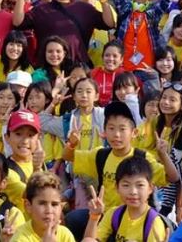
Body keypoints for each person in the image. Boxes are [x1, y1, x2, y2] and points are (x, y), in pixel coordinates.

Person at [62, 102, 175, 239]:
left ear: (134, 133)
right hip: (106, 215)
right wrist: (72, 143)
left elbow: (172, 177)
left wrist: (163, 155)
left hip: (136, 217)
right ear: (104, 132)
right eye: (111, 128)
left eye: (122, 129)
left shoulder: (143, 158)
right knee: (72, 219)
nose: (116, 134)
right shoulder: (100, 155)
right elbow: (68, 156)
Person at [12, 0, 116, 65]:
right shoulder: (41, 9)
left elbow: (109, 24)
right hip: (48, 66)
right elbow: (18, 22)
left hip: (77, 65)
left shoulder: (85, 8)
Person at [83, 155, 170, 242]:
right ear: (117, 188)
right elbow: (90, 240)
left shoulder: (154, 223)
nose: (133, 192)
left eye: (140, 185)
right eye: (126, 185)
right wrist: (94, 216)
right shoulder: (114, 213)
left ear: (150, 188)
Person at [9, 171, 76, 242]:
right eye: (42, 203)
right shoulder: (20, 239)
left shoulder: (65, 234)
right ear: (28, 206)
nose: (49, 210)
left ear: (60, 207)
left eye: (54, 204)